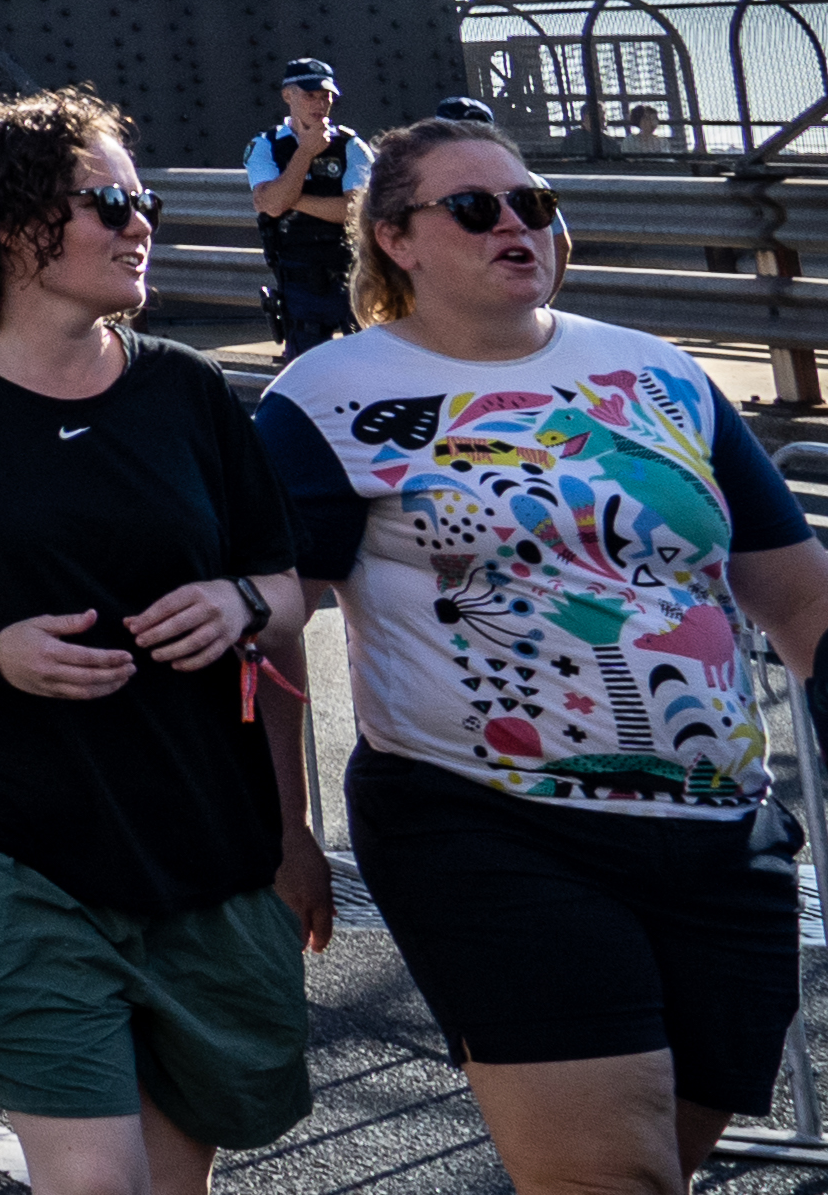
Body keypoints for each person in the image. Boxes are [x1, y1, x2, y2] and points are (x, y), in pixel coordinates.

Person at [263, 116, 828, 1195]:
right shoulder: (328, 396)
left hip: (720, 839)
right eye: (477, 208)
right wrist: (281, 825)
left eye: (536, 202)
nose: (518, 224)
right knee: (614, 1174)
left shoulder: (661, 375)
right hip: (486, 826)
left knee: (659, 1158)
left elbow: (801, 600)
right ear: (397, 239)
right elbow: (272, 622)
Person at [0, 92, 313, 1195]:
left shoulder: (188, 390)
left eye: (146, 201)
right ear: (11, 224)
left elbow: (282, 580)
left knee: (178, 1177)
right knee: (94, 1179)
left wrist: (239, 604)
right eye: (111, 200)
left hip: (193, 835)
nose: (141, 223)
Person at [235, 62, 362, 362]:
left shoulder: (351, 145)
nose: (320, 104)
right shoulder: (266, 145)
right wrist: (305, 152)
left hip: (352, 276)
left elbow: (355, 211)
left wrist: (289, 198)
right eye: (310, 96)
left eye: (326, 97)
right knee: (306, 369)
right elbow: (269, 203)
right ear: (288, 96)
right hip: (299, 282)